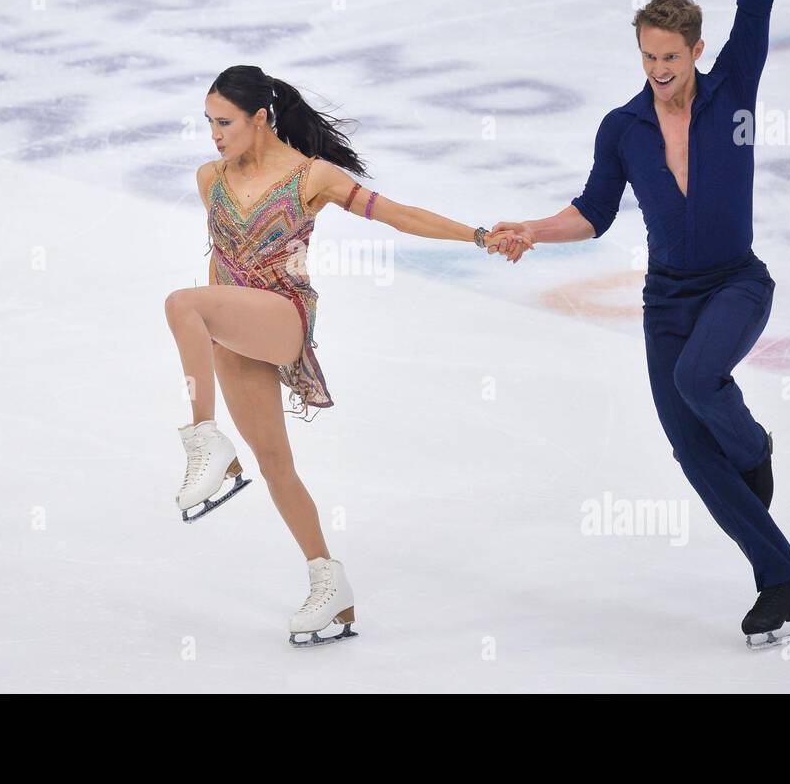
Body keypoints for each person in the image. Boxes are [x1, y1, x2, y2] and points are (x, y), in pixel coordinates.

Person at [491, 0, 790, 648]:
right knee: (686, 447)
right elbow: (594, 213)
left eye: (670, 57)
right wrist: (533, 231)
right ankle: (781, 580)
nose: (658, 70)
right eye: (646, 57)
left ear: (696, 51)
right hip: (666, 299)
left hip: (736, 283)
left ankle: (755, 445)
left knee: (699, 379)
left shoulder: (734, 84)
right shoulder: (624, 127)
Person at [163, 64, 524, 646]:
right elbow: (219, 261)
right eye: (208, 122)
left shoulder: (312, 177)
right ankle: (331, 588)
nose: (214, 135)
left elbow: (399, 215)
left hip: (283, 316)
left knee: (180, 302)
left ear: (260, 118)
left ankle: (204, 438)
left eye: (224, 121)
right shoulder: (211, 178)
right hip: (235, 324)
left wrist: (477, 236)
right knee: (276, 465)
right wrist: (215, 326)